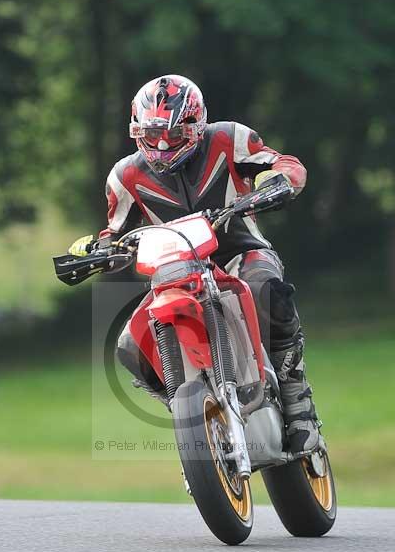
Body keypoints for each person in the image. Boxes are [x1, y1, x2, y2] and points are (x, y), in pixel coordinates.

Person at [69, 74, 320, 455]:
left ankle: (297, 398)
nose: (163, 143)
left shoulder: (229, 138)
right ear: (136, 131)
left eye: (173, 133)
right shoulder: (124, 176)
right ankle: (192, 411)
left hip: (240, 253)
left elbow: (280, 162)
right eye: (151, 134)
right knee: (128, 345)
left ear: (196, 123)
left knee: (265, 289)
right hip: (175, 272)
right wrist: (95, 249)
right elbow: (115, 230)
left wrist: (279, 178)